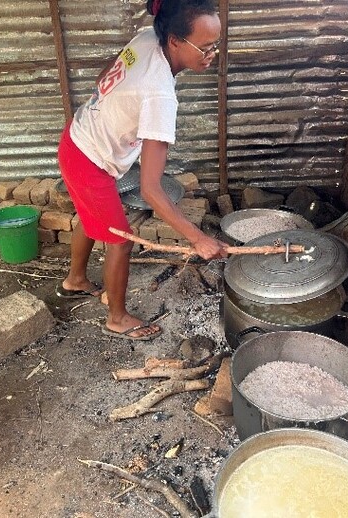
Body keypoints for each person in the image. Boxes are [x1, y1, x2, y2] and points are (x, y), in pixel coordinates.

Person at [56, 0, 228, 341]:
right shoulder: (160, 96)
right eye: (206, 48)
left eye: (215, 46)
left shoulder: (149, 36)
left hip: (76, 139)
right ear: (176, 40)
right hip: (89, 159)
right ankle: (117, 317)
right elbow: (151, 189)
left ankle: (75, 280)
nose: (212, 55)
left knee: (91, 219)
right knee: (119, 241)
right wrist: (198, 238)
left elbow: (106, 73)